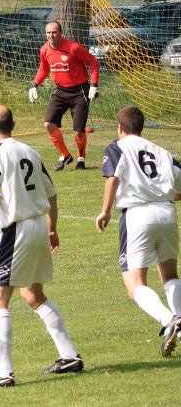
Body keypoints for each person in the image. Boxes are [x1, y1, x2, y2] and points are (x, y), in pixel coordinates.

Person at [0, 105, 83, 388]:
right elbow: (51, 193)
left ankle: (3, 373)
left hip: (14, 231)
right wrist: (51, 228)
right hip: (37, 228)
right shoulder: (31, 151)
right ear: (14, 125)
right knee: (32, 294)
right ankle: (69, 355)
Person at [95, 105, 181, 357]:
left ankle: (169, 320)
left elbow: (112, 177)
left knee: (135, 284)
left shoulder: (117, 146)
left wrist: (105, 210)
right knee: (170, 274)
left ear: (120, 127)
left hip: (137, 215)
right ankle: (179, 319)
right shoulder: (162, 152)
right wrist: (165, 196)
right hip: (166, 212)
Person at [29, 21, 100, 171]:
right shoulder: (44, 50)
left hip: (79, 91)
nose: (51, 35)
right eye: (48, 33)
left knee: (79, 131)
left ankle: (81, 158)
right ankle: (65, 154)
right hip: (60, 91)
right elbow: (43, 68)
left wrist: (93, 85)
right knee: (48, 124)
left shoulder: (74, 48)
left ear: (61, 33)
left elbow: (93, 62)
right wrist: (34, 84)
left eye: (54, 32)